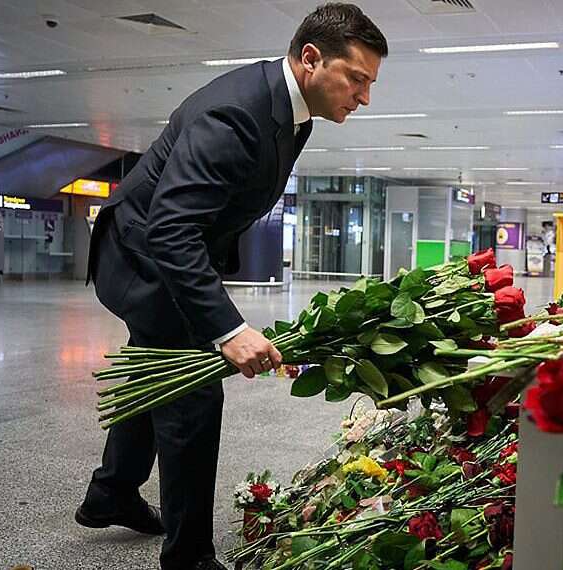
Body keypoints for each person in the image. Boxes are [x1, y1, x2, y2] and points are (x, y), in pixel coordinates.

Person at [74, 5, 387, 569]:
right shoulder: (236, 114)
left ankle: (112, 492)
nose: (364, 97)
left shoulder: (295, 114)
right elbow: (172, 227)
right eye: (357, 79)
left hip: (161, 248)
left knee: (157, 369)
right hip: (142, 255)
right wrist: (228, 328)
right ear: (311, 59)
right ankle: (188, 556)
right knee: (192, 394)